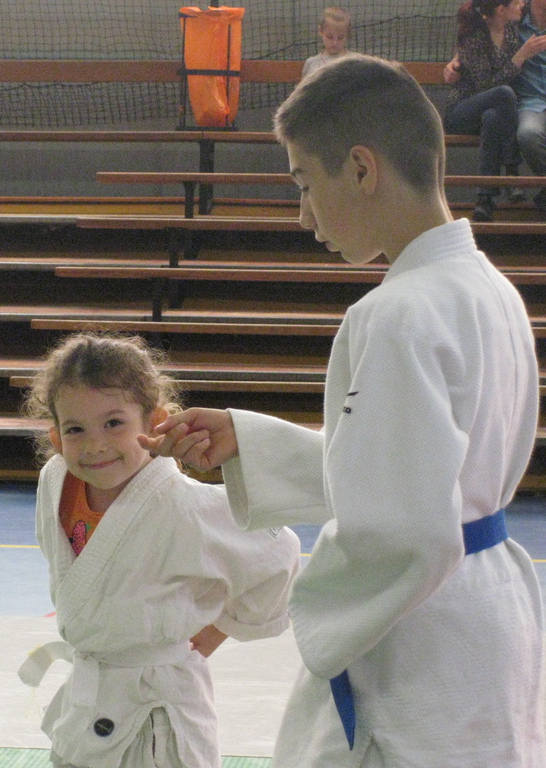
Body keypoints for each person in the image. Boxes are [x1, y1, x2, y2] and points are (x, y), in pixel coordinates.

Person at [143, 55, 544, 766]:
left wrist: (315, 607)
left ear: (361, 169)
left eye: (304, 184)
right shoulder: (489, 288)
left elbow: (406, 525)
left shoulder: (395, 312)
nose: (304, 215)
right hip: (482, 616)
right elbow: (411, 471)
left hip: (416, 632)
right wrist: (251, 441)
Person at [18, 332, 300, 768]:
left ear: (154, 423)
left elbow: (278, 551)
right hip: (88, 695)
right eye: (76, 429)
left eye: (114, 423)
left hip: (157, 711)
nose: (95, 445)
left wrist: (222, 626)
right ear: (56, 438)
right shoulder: (55, 481)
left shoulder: (185, 505)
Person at [442, 0, 541, 221]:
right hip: (463, 111)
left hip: (494, 114)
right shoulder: (474, 35)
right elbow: (486, 87)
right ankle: (512, 172)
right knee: (504, 94)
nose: (522, 4)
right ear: (500, 10)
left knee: (493, 118)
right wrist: (520, 57)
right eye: (516, 2)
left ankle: (484, 200)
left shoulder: (512, 29)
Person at [513, 0, 546, 215]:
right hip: (531, 102)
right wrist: (457, 60)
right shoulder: (514, 24)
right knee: (528, 134)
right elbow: (480, 35)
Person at [301, 7, 352, 78]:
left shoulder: (355, 62)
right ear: (320, 31)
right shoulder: (312, 63)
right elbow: (306, 85)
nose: (335, 43)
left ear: (347, 35)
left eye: (340, 38)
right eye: (329, 37)